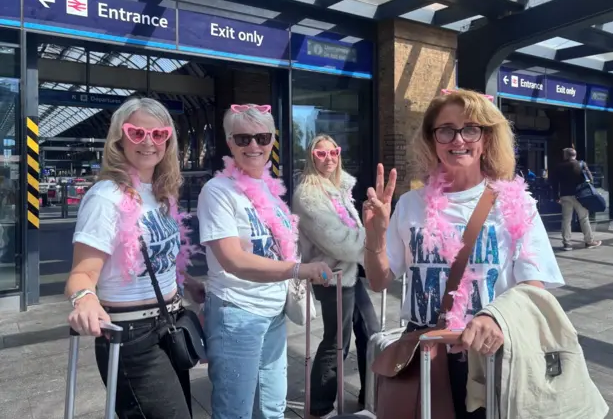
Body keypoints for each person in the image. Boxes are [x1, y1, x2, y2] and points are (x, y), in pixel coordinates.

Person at [362, 89, 565, 418]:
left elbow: (534, 288)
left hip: (487, 358)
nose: (458, 139)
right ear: (432, 139)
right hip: (423, 353)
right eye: (446, 130)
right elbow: (378, 280)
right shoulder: (410, 204)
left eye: (471, 128)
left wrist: (493, 317)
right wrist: (375, 240)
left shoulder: (515, 204)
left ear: (487, 137)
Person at [192, 104, 332, 419]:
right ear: (229, 142)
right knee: (234, 410)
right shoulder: (217, 192)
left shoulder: (269, 190)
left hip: (274, 312)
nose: (254, 146)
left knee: (273, 407)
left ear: (272, 141)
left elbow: (283, 247)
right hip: (237, 313)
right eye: (243, 139)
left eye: (262, 137)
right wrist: (299, 270)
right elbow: (233, 260)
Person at [66, 97, 197, 418]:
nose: (149, 142)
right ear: (119, 138)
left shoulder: (160, 192)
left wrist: (187, 283)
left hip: (169, 324)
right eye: (137, 133)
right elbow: (81, 274)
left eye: (159, 134)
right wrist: (84, 299)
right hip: (130, 338)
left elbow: (155, 257)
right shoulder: (104, 198)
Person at [292, 134, 380, 418]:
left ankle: (372, 395)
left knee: (371, 332)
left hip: (350, 272)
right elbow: (340, 242)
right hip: (331, 276)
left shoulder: (337, 187)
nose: (329, 158)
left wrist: (367, 231)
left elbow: (352, 233)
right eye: (321, 154)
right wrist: (373, 241)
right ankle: (320, 406)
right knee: (336, 342)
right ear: (311, 157)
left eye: (334, 152)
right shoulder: (308, 194)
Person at [552, 148, 602, 251]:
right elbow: (590, 179)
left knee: (566, 220)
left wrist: (556, 197)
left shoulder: (559, 167)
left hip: (565, 195)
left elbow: (554, 183)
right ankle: (589, 241)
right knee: (584, 219)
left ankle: (567, 244)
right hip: (580, 196)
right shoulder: (581, 164)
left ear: (565, 155)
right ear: (575, 155)